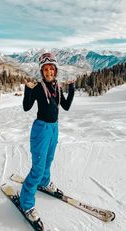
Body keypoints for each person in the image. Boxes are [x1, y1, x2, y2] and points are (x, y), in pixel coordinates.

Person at [19, 52, 75, 223]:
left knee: (48, 160)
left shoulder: (57, 87)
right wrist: (27, 90)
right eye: (45, 69)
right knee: (38, 166)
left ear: (55, 71)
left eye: (51, 69)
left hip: (54, 128)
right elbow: (26, 107)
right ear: (41, 71)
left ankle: (44, 182)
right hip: (41, 129)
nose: (49, 72)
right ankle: (26, 203)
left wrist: (71, 89)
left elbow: (65, 106)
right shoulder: (37, 87)